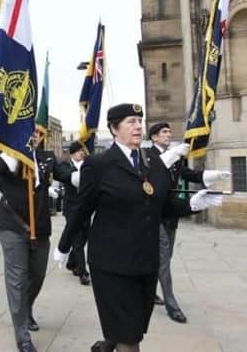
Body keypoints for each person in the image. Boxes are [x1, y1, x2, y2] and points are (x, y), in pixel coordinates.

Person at [54, 104, 223, 352]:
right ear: (114, 128)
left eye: (139, 121)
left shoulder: (152, 163)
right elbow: (82, 209)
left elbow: (162, 205)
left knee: (135, 329)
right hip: (112, 264)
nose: (137, 126)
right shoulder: (99, 165)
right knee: (129, 338)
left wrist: (192, 204)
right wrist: (64, 245)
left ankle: (108, 343)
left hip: (145, 262)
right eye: (131, 121)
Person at [0, 130, 71, 352]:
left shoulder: (46, 157)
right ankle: (22, 335)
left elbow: (66, 173)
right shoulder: (6, 156)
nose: (32, 136)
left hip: (40, 227)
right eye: (27, 131)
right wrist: (15, 151)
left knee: (37, 275)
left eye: (36, 132)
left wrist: (87, 173)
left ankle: (24, 310)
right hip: (12, 226)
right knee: (17, 278)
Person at [147, 122, 230, 324]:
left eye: (168, 132)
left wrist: (209, 175)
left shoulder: (175, 157)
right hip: (153, 216)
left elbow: (187, 174)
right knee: (163, 258)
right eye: (163, 132)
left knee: (162, 259)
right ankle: (171, 305)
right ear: (154, 138)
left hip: (171, 214)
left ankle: (149, 294)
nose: (168, 135)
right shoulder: (146, 156)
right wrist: (172, 156)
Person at [62, 141, 91, 286]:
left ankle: (71, 262)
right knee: (78, 240)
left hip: (85, 208)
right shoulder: (66, 166)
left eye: (83, 151)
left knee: (85, 236)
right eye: (79, 151)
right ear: (72, 153)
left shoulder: (87, 165)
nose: (82, 153)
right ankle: (82, 272)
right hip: (72, 208)